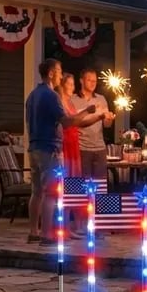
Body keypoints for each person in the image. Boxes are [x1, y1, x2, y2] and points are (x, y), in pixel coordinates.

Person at [26, 58, 107, 245]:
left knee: (36, 191)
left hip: (33, 148)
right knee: (51, 193)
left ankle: (33, 232)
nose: (61, 75)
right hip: (49, 148)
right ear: (51, 73)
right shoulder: (51, 95)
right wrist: (87, 111)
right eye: (60, 71)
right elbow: (67, 122)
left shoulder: (32, 95)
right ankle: (46, 235)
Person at [72, 68, 116, 180]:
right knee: (84, 184)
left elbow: (107, 125)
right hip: (82, 148)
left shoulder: (101, 99)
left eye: (95, 81)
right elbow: (75, 122)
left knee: (100, 185)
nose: (92, 83)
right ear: (81, 81)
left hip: (100, 148)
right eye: (89, 80)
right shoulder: (73, 100)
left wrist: (109, 118)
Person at [58, 72, 82, 177]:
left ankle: (74, 191)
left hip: (74, 142)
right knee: (66, 171)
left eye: (73, 84)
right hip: (66, 143)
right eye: (70, 84)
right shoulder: (60, 102)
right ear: (63, 85)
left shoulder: (70, 102)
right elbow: (68, 121)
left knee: (74, 173)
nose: (73, 87)